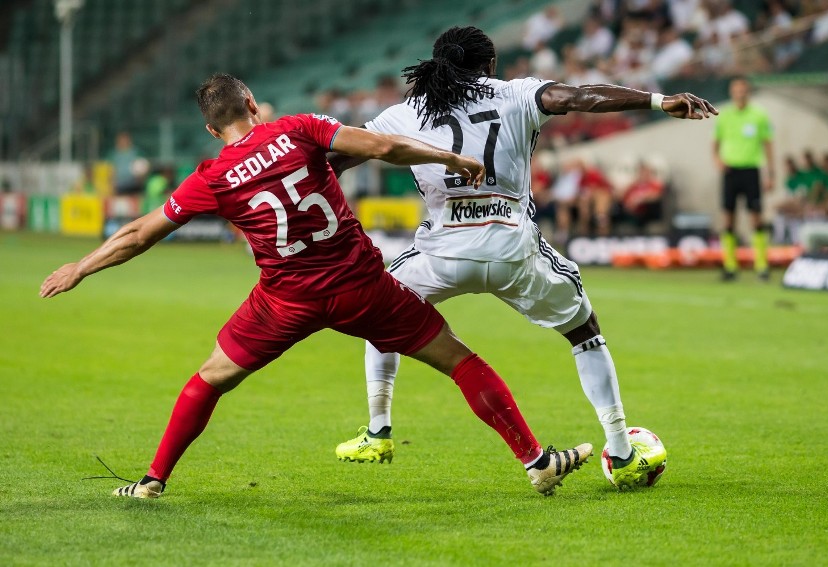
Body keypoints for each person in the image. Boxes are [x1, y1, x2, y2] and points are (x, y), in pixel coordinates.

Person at [40, 73, 593, 499]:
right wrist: (448, 156)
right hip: (363, 287)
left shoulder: (212, 177)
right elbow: (382, 147)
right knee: (459, 360)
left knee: (210, 379)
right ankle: (535, 462)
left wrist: (79, 268)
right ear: (254, 103)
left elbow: (139, 234)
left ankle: (154, 478)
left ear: (212, 129)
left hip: (285, 300)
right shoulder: (299, 128)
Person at [328, 26, 715, 489]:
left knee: (382, 311)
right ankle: (621, 450)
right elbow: (579, 97)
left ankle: (378, 430)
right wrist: (658, 101)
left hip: (441, 254)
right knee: (583, 331)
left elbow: (336, 159)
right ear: (489, 65)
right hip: (513, 248)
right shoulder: (516, 93)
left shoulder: (403, 114)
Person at [712, 75, 775, 280]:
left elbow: (768, 144)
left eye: (742, 90)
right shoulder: (724, 115)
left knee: (756, 216)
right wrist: (718, 161)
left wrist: (770, 173)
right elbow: (715, 143)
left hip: (751, 170)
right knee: (728, 218)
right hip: (731, 171)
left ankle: (761, 266)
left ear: (748, 92)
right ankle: (730, 266)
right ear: (732, 92)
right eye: (736, 90)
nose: (739, 93)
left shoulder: (759, 115)